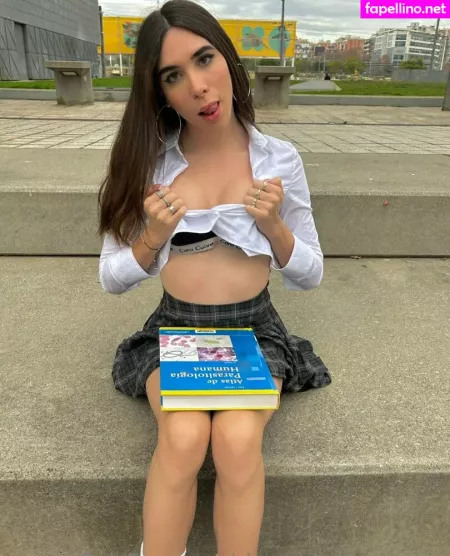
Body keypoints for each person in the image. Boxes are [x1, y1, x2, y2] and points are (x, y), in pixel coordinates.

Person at [97, 1, 331, 554]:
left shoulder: (279, 159)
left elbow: (311, 272)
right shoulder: (150, 164)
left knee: (238, 439)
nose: (198, 86)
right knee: (182, 437)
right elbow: (111, 276)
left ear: (227, 57)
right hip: (175, 330)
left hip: (254, 331)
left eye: (204, 59)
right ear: (159, 93)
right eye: (173, 76)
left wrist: (274, 228)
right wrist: (153, 237)